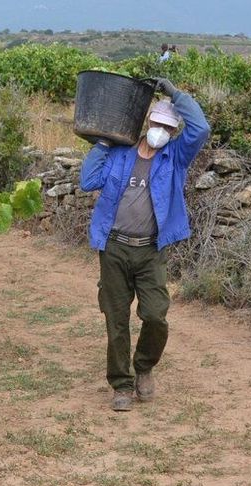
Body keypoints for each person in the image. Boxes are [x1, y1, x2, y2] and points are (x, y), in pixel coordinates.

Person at [78, 78, 210, 411]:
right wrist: (103, 143)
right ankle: (121, 386)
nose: (160, 131)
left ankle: (145, 366)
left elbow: (201, 128)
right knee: (116, 318)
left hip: (151, 250)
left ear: (172, 130)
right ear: (147, 122)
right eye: (157, 123)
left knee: (155, 315)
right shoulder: (120, 152)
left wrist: (176, 95)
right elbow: (87, 180)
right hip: (114, 247)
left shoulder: (175, 157)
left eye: (168, 126)